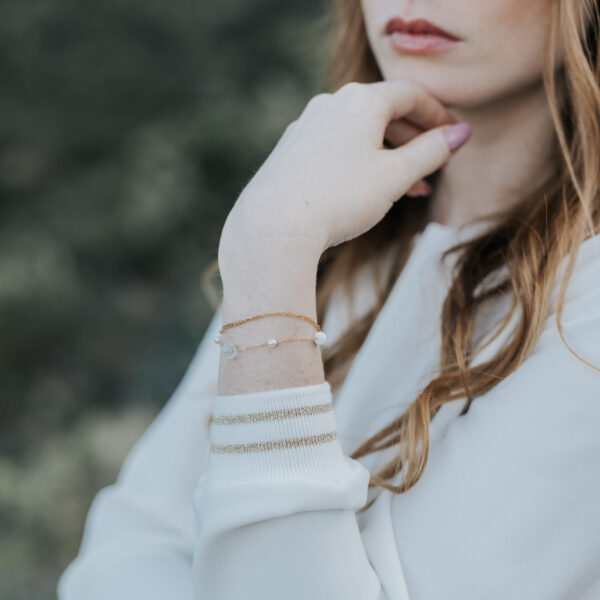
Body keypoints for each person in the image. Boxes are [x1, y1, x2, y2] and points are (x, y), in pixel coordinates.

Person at [58, 0, 600, 598]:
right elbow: (125, 550)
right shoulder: (330, 240)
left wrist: (270, 250)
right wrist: (279, 245)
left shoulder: (586, 310)